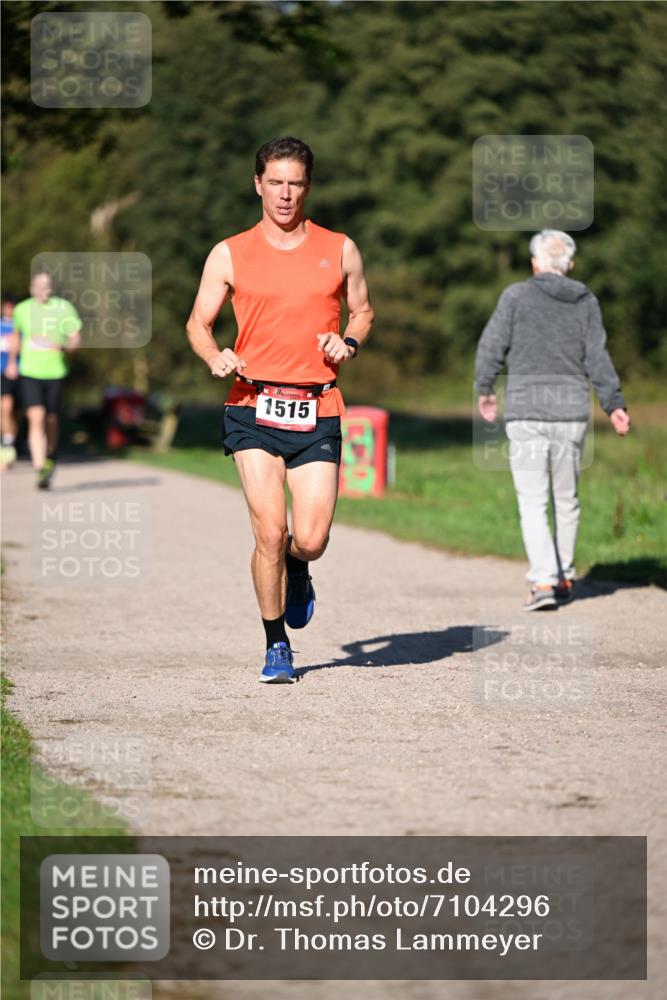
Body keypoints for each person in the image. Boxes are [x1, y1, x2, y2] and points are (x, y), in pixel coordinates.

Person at [186, 137, 374, 683]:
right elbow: (197, 324)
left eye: (295, 183)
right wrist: (214, 354)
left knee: (309, 538)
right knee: (269, 531)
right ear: (258, 184)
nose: (285, 194)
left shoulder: (339, 248)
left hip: (317, 407)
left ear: (307, 187)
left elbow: (362, 311)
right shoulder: (229, 252)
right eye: (276, 182)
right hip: (252, 404)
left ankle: (299, 567)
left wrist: (350, 342)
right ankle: (276, 645)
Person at [474, 229, 630, 611]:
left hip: (527, 411)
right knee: (567, 499)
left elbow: (492, 344)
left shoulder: (515, 295)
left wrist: (486, 387)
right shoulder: (586, 300)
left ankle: (543, 579)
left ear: (534, 264)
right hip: (571, 413)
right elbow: (597, 356)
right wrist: (614, 404)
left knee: (532, 501)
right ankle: (563, 576)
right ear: (570, 266)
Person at [13, 272, 82, 489]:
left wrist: (64, 346)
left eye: (46, 286)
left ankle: (51, 455)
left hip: (55, 372)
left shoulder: (64, 308)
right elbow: (16, 336)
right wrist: (11, 362)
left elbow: (75, 337)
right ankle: (40, 466)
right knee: (36, 417)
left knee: (51, 419)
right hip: (29, 372)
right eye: (38, 286)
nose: (42, 290)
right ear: (31, 288)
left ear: (51, 288)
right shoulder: (21, 309)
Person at [1, 298, 19, 469]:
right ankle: (6, 445)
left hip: (15, 373)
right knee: (4, 410)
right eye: (7, 306)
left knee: (10, 411)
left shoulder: (20, 326)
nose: (9, 309)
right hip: (2, 372)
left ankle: (9, 444)